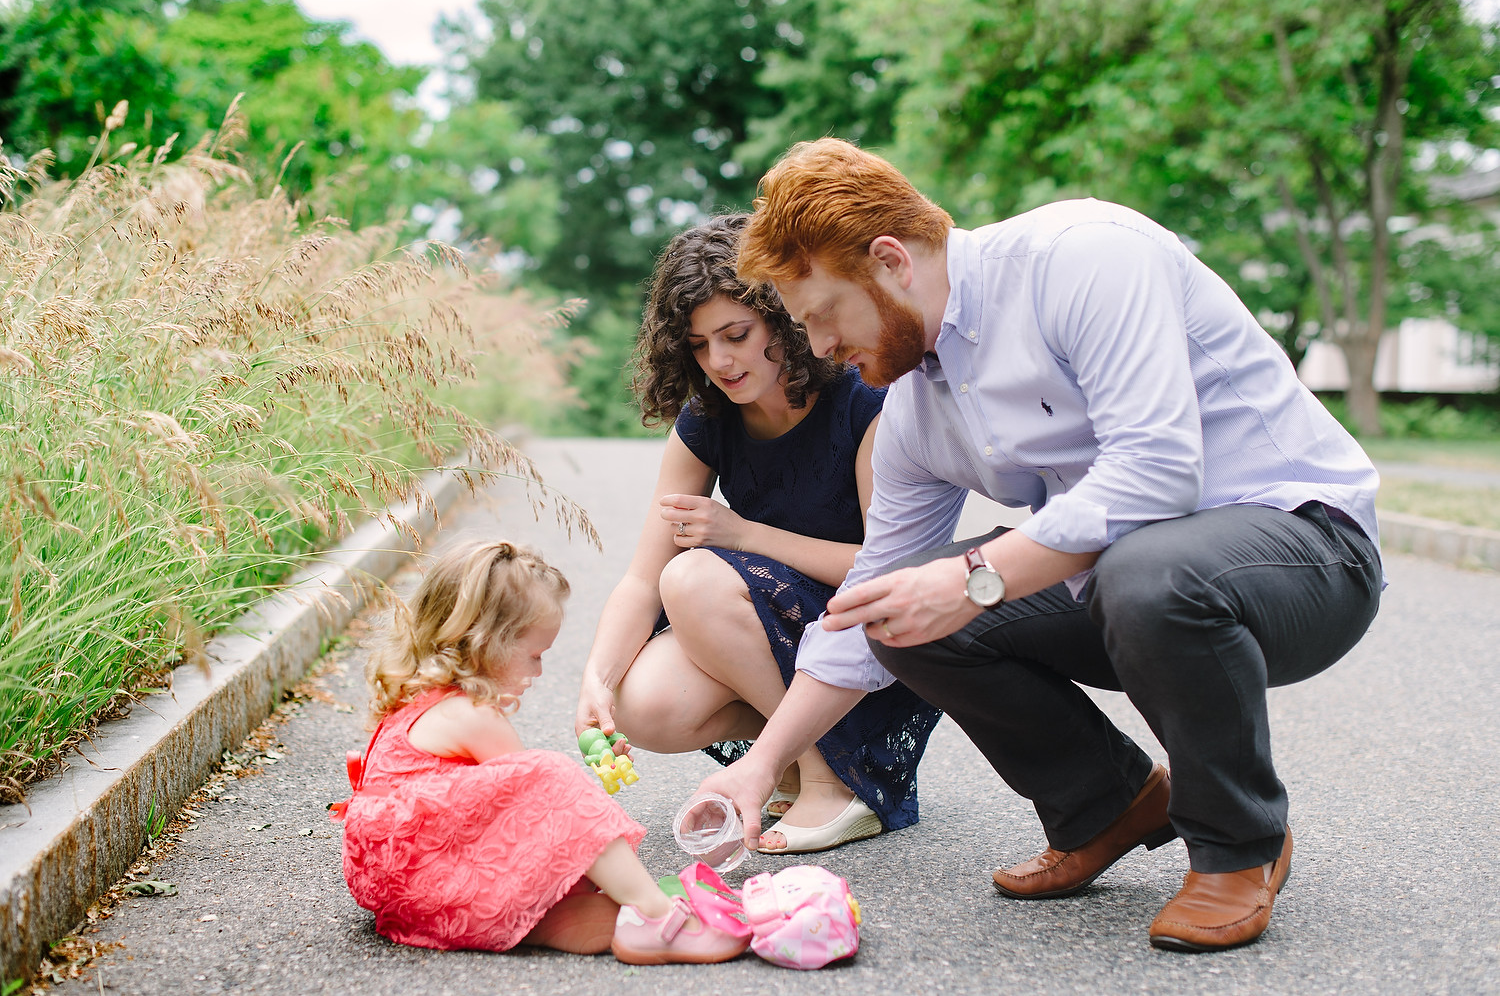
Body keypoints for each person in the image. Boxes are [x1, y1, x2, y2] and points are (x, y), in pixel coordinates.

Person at [697, 138, 1383, 952]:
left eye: (823, 316)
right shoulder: (915, 406)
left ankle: (1239, 844)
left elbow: (1158, 473)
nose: (817, 348)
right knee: (897, 609)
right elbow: (865, 597)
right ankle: (1109, 803)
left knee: (1135, 571)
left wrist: (976, 574)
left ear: (890, 262)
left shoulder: (1085, 256)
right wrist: (762, 760)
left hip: (1306, 547)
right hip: (1130, 584)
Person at [576, 214, 941, 854]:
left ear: (784, 318)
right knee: (644, 705)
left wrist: (742, 534)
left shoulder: (863, 402)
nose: (719, 361)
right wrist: (596, 682)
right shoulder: (708, 419)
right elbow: (639, 578)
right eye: (697, 345)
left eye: (736, 334)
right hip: (774, 633)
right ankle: (797, 764)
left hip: (864, 634)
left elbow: (884, 568)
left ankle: (832, 779)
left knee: (690, 578)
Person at [334, 539, 750, 964]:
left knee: (581, 913)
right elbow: (543, 816)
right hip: (430, 871)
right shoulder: (473, 715)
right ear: (486, 642)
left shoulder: (418, 701)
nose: (539, 671)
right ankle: (657, 914)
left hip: (402, 887)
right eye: (534, 655)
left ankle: (597, 922)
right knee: (551, 774)